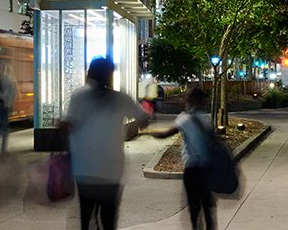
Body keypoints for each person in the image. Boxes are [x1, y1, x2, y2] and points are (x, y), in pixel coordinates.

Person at [58, 57, 149, 230]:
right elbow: (143, 119)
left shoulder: (79, 97)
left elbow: (66, 126)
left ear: (89, 74)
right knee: (108, 218)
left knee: (86, 215)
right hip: (111, 170)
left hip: (84, 169)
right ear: (110, 76)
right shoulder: (121, 98)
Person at [147, 87, 215, 230]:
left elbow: (166, 134)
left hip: (192, 169)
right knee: (207, 208)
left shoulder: (184, 118)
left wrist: (147, 131)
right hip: (207, 169)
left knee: (194, 207)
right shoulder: (205, 118)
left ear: (190, 100)